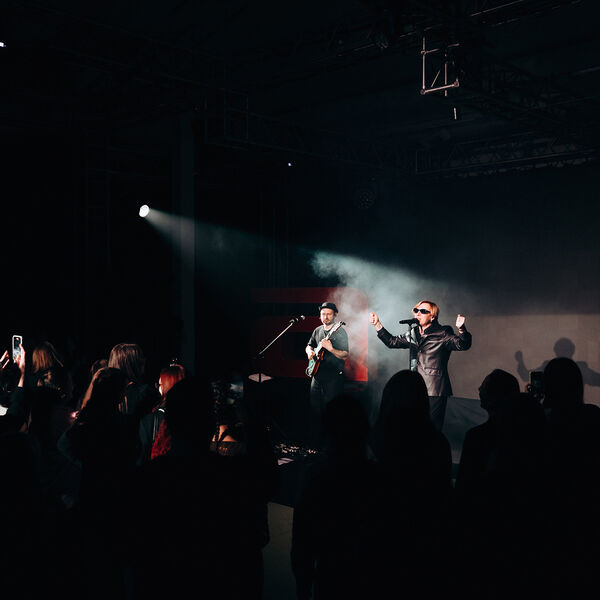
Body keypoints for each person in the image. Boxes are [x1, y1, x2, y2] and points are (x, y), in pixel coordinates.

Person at [369, 299, 472, 430]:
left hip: (434, 388)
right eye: (416, 310)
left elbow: (462, 345)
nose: (418, 313)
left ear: (432, 316)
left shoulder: (443, 332)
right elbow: (392, 342)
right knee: (414, 426)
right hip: (414, 387)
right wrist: (377, 324)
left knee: (432, 427)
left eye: (423, 311)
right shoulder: (413, 332)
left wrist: (462, 330)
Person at [305, 302, 349, 448]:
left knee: (332, 411)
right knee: (315, 410)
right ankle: (316, 444)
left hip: (333, 377)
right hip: (317, 376)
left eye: (329, 314)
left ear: (335, 315)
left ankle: (333, 445)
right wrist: (310, 352)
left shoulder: (339, 331)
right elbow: (309, 345)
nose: (326, 316)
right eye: (323, 314)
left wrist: (331, 349)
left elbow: (345, 355)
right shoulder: (317, 330)